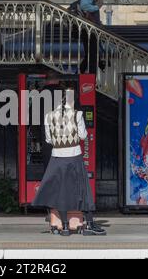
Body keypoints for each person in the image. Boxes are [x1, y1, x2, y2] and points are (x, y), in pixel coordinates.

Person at [32, 83, 106, 236]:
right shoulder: (77, 115)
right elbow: (84, 136)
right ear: (73, 100)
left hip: (56, 158)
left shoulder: (49, 116)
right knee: (83, 189)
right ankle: (90, 223)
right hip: (74, 156)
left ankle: (65, 226)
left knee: (61, 192)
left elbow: (48, 139)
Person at [79, 0, 106, 74]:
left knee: (90, 54)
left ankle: (83, 71)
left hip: (88, 28)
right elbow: (84, 5)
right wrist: (97, 7)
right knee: (92, 54)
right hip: (89, 29)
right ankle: (90, 75)